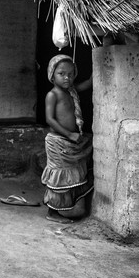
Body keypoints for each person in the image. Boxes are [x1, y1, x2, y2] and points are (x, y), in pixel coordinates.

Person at [42, 54, 93, 224]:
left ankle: (69, 206)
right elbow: (50, 119)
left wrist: (98, 70)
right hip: (58, 142)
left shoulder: (72, 90)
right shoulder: (53, 95)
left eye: (71, 74)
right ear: (52, 75)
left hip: (71, 142)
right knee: (59, 177)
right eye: (61, 74)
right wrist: (69, 134)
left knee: (71, 175)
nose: (67, 78)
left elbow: (88, 83)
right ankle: (52, 212)